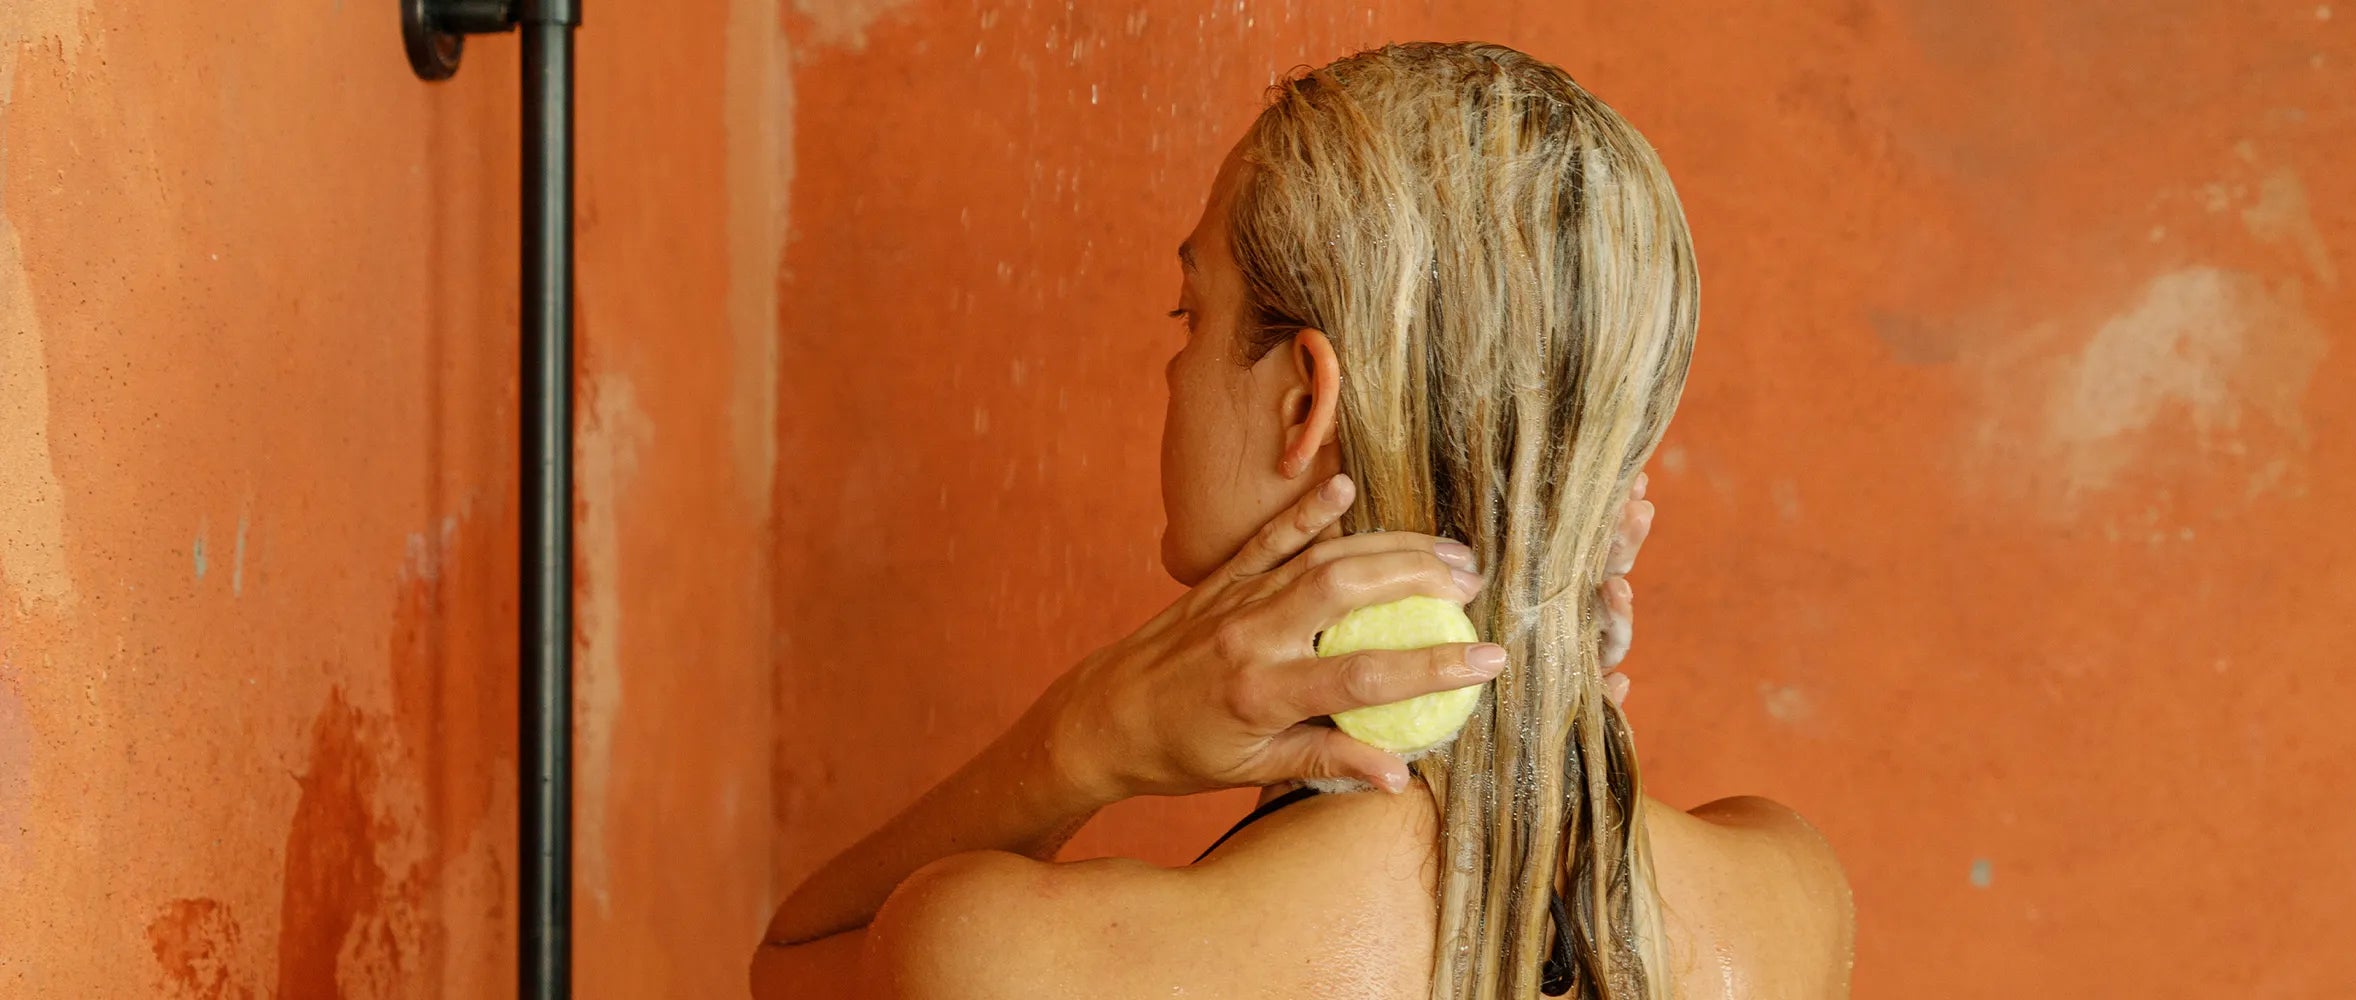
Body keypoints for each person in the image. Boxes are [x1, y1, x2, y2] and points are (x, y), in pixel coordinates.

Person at [752, 42, 1853, 1000]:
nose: (1173, 365)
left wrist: (1083, 739)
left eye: (1192, 312)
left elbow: (794, 962)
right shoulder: (1786, 898)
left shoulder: (1011, 954)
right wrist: (1542, 673)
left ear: (1303, 403)